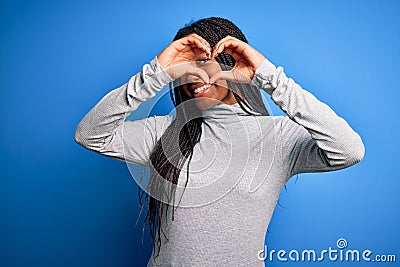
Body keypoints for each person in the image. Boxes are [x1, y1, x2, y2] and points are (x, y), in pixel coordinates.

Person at [74, 17, 365, 266]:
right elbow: (90, 135)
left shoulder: (278, 137)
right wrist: (156, 73)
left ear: (234, 65)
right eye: (186, 66)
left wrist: (269, 77)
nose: (195, 74)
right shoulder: (164, 132)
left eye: (206, 62)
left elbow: (348, 150)